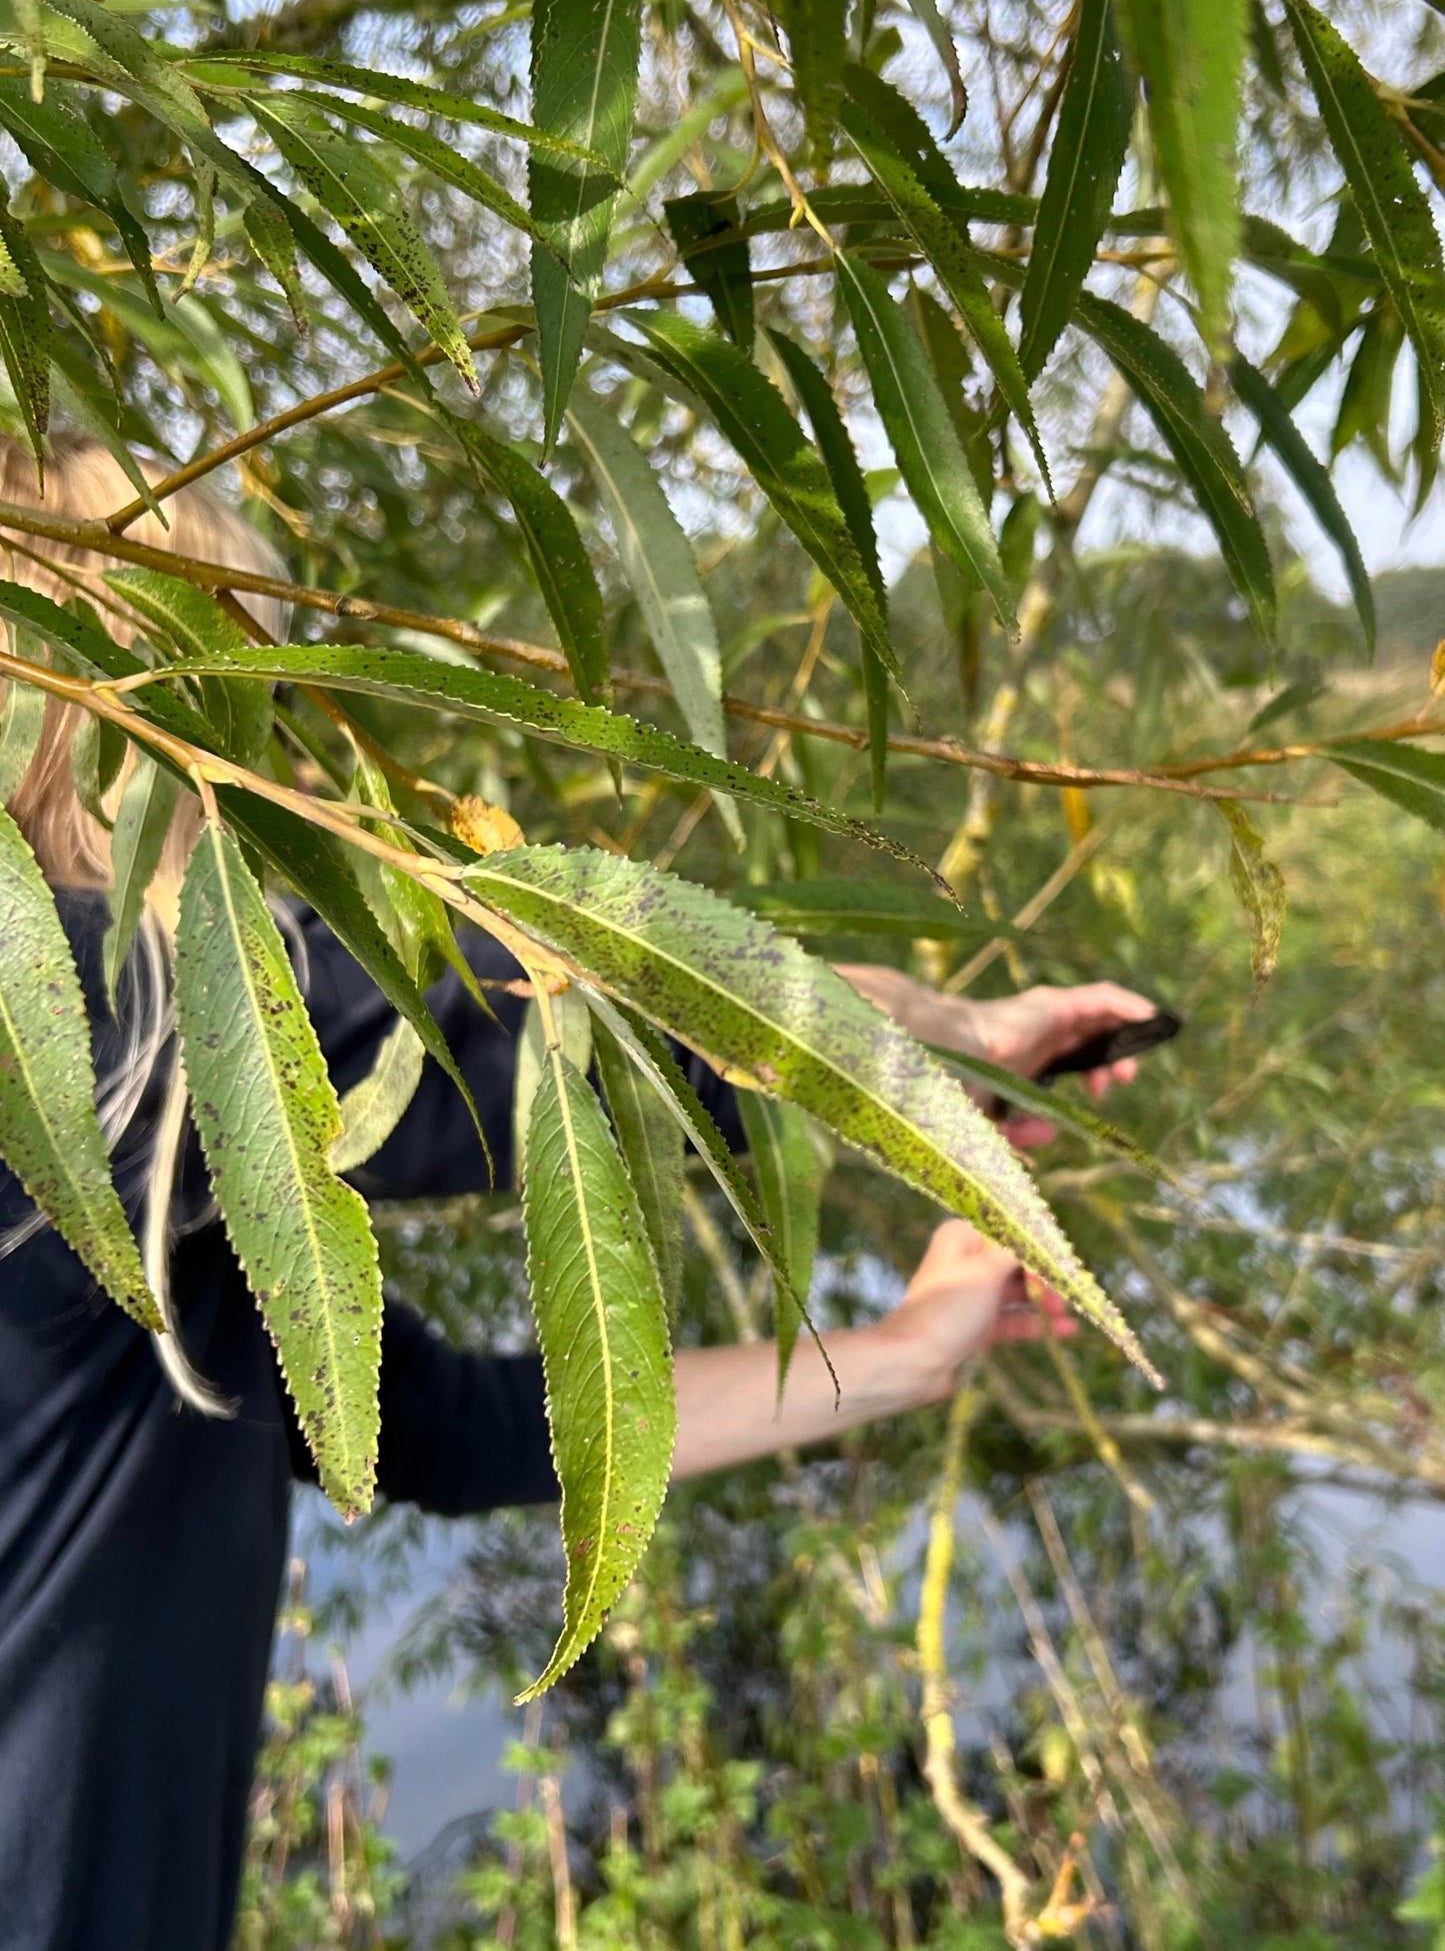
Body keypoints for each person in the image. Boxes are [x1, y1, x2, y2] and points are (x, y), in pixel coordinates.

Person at [0, 441, 1159, 1951]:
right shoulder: (84, 1023)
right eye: (229, 692)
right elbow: (583, 1024)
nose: (260, 759)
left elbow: (463, 1426)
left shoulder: (146, 1198)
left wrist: (899, 1353)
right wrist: (961, 1037)